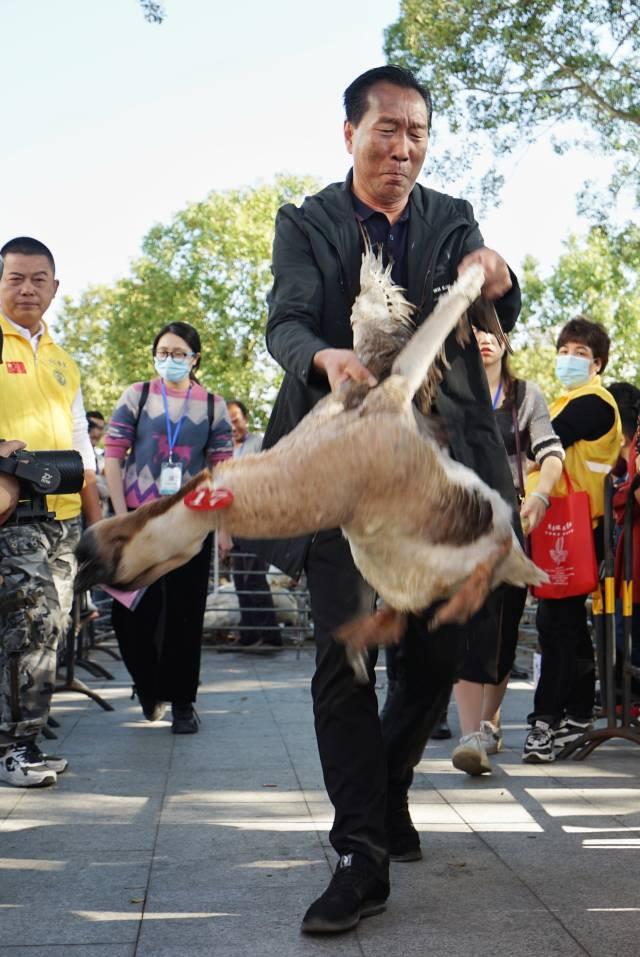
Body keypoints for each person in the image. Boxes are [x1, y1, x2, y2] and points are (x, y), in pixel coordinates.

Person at [259, 65, 522, 934]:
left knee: (437, 653)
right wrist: (325, 360)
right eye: (386, 131)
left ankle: (390, 783)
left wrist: (498, 273)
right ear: (350, 134)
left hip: (442, 467)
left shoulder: (450, 218)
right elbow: (287, 319)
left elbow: (495, 307)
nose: (402, 149)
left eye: (416, 133)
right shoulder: (308, 223)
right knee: (347, 655)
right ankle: (360, 852)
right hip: (342, 461)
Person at [0, 236, 101, 788]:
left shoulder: (64, 362)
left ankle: (27, 740)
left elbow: (83, 442)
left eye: (39, 279)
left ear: (55, 288)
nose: (27, 288)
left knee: (49, 627)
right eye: (15, 277)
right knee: (31, 622)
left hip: (62, 517)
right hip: (11, 513)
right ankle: (13, 748)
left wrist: (96, 517)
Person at [103, 322, 232, 733]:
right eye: (164, 351)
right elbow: (112, 456)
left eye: (180, 353)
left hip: (189, 525)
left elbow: (224, 472)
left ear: (195, 359)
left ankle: (182, 702)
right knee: (129, 613)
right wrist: (122, 517)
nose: (170, 359)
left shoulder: (213, 405)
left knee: (184, 614)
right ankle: (148, 685)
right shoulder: (136, 395)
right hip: (139, 522)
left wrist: (224, 527)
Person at [450, 324, 564, 775]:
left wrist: (539, 496)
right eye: (473, 330)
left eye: (491, 330)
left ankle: (485, 725)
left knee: (503, 629)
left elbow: (551, 452)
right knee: (469, 623)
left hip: (511, 525)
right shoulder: (449, 393)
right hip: (460, 524)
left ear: (505, 341)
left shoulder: (524, 395)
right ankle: (471, 734)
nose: (483, 337)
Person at [523, 317, 621, 763]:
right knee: (564, 624)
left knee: (556, 624)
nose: (570, 359)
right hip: (562, 524)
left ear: (597, 364)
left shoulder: (593, 403)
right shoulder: (569, 400)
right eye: (565, 351)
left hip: (577, 526)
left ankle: (546, 719)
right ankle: (578, 711)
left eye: (581, 354)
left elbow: (538, 443)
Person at [222, 400, 281, 653]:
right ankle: (248, 634)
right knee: (240, 580)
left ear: (245, 419)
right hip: (232, 522)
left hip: (258, 520)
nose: (233, 426)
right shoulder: (222, 450)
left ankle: (270, 637)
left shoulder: (259, 443)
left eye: (236, 420)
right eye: (228, 421)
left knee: (255, 578)